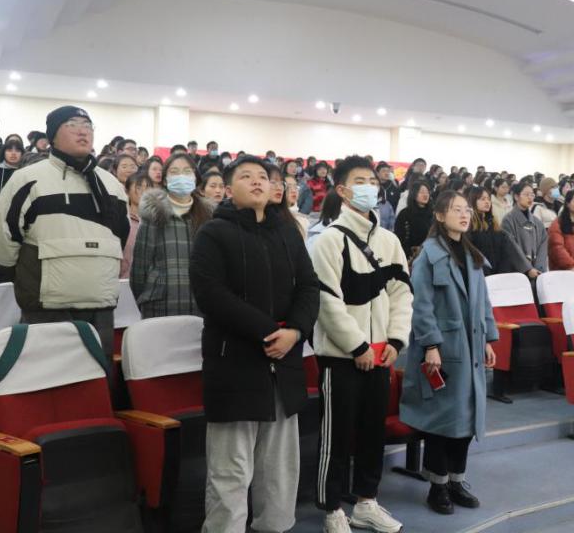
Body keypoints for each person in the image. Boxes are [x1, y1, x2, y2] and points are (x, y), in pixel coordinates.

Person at [189, 155, 319, 533]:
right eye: (246, 176)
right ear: (229, 190)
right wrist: (270, 331)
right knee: (230, 471)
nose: (258, 181)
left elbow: (309, 287)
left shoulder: (287, 233)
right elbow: (211, 294)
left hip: (284, 363)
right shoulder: (214, 233)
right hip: (235, 363)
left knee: (279, 471)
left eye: (263, 176)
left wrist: (296, 331)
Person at [310, 155, 413, 533]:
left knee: (373, 432)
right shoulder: (328, 240)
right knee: (336, 436)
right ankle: (332, 510)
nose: (370, 187)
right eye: (360, 181)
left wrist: (396, 340)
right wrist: (357, 347)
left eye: (373, 181)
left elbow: (402, 294)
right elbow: (326, 302)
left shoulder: (389, 241)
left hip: (382, 352)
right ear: (342, 190)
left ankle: (366, 502)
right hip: (341, 357)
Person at [0, 106, 129, 360]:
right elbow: (2, 239)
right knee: (47, 376)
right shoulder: (27, 179)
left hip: (100, 304)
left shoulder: (112, 185)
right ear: (52, 135)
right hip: (46, 307)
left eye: (87, 126)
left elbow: (121, 235)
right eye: (72, 124)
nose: (83, 131)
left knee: (95, 378)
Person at [400, 191, 498, 515]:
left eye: (467, 209)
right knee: (442, 420)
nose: (464, 214)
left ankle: (457, 480)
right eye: (457, 210)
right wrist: (430, 345)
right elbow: (421, 305)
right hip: (443, 350)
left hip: (471, 348)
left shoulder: (472, 255)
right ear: (440, 216)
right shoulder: (428, 256)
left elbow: (484, 301)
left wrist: (488, 338)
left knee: (467, 418)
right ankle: (437, 485)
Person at [131, 154, 213, 318]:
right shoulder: (153, 214)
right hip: (159, 306)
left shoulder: (209, 216)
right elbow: (139, 271)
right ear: (165, 180)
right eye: (174, 172)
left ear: (195, 178)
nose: (181, 176)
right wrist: (149, 295)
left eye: (187, 171)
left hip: (200, 305)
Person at [466, 186, 533, 277]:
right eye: (482, 199)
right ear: (473, 201)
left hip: (500, 274)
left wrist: (502, 272)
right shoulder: (469, 227)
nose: (487, 202)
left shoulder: (494, 225)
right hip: (481, 274)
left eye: (488, 199)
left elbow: (505, 251)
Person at [501, 182, 548, 276]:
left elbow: (543, 246)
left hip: (537, 272)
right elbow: (512, 247)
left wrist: (538, 268)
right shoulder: (508, 220)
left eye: (532, 195)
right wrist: (527, 269)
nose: (530, 197)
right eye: (526, 194)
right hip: (517, 273)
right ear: (516, 197)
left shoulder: (537, 222)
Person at [120, 172, 153, 279]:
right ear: (127, 191)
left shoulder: (157, 222)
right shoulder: (121, 220)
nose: (144, 192)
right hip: (124, 281)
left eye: (148, 188)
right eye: (138, 188)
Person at [395, 179, 434, 262]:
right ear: (414, 194)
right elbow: (399, 237)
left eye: (427, 192)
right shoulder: (405, 214)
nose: (425, 195)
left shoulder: (433, 213)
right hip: (411, 257)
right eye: (421, 192)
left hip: (431, 255)